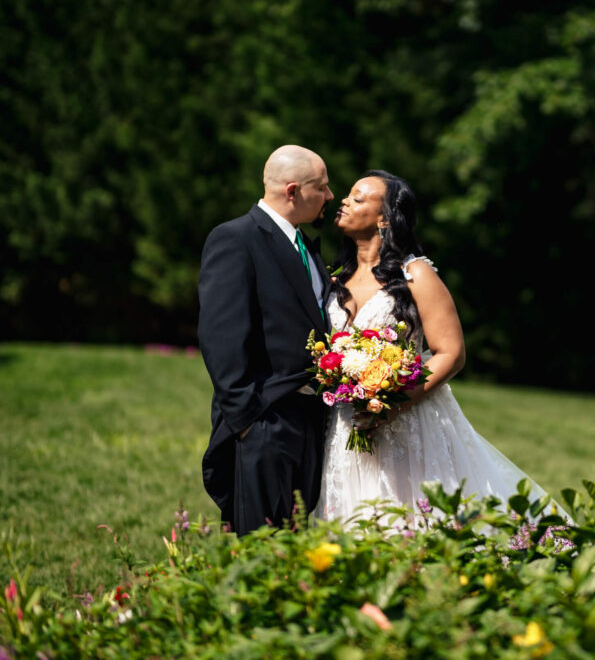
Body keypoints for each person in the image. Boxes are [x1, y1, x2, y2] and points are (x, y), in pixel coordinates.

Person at [317, 170, 548, 522]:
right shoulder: (334, 279)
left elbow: (451, 353)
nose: (344, 201)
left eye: (358, 198)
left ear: (384, 219)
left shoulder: (416, 274)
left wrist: (392, 405)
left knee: (406, 518)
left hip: (404, 423)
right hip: (344, 424)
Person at [198, 144, 334, 536]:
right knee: (263, 547)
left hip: (308, 421)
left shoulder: (305, 245)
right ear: (293, 191)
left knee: (295, 544)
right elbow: (221, 337)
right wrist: (248, 421)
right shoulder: (236, 239)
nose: (329, 196)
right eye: (322, 187)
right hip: (264, 421)